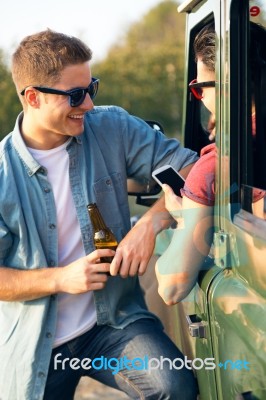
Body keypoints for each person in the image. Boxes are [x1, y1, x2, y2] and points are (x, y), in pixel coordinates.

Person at [0, 29, 198, 399]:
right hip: (36, 346)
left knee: (175, 386)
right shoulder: (1, 175)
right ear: (33, 97)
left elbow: (191, 169)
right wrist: (61, 279)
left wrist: (152, 223)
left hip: (114, 324)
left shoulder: (112, 127)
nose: (88, 104)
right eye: (75, 94)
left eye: (92, 87)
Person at [155, 22, 266, 305]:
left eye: (199, 88)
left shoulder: (215, 166)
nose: (200, 97)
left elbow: (172, 287)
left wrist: (182, 220)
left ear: (225, 87)